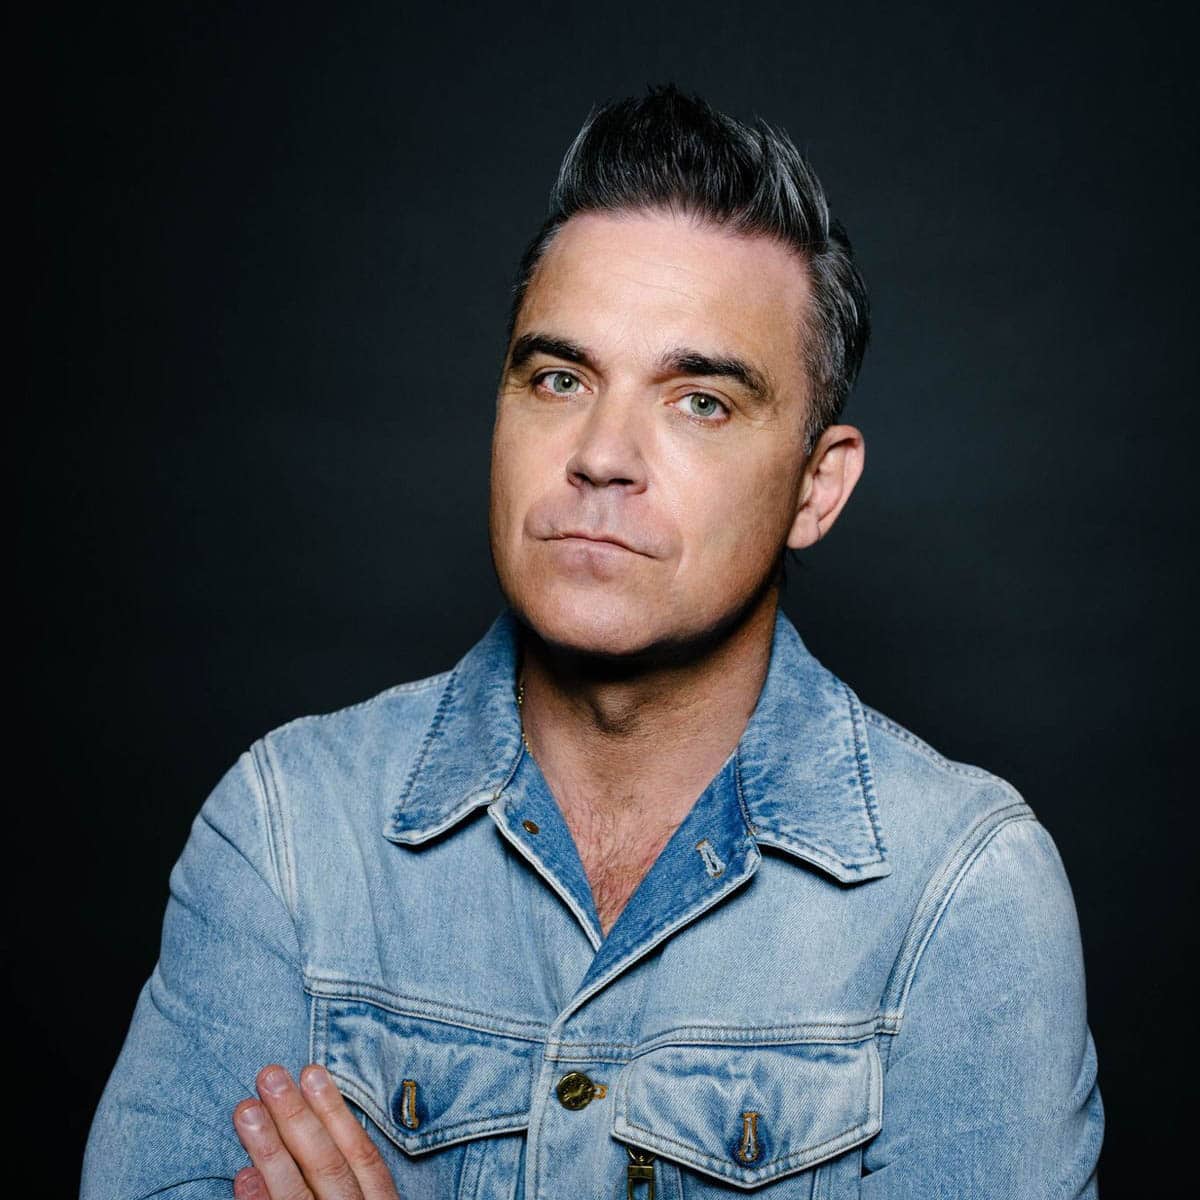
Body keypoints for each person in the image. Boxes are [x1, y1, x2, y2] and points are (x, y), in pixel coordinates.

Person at [82, 83, 1104, 1199]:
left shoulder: (963, 891)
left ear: (818, 488)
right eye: (559, 379)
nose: (602, 455)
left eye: (700, 400)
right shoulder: (289, 832)